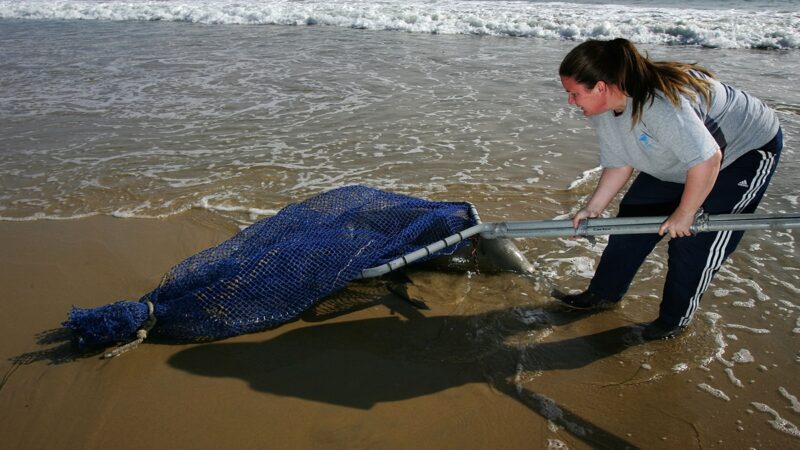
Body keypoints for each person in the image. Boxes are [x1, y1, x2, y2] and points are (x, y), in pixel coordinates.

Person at [556, 38, 782, 340]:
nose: (570, 101)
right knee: (630, 225)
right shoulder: (607, 106)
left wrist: (686, 212)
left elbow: (707, 159)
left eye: (574, 93)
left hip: (742, 153)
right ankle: (602, 295)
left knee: (693, 240)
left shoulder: (659, 106)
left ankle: (673, 320)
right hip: (684, 152)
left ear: (600, 86)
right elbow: (620, 161)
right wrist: (593, 208)